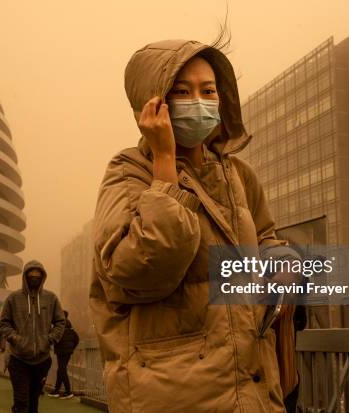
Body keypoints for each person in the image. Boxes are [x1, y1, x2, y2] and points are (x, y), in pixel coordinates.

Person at [89, 36, 302, 413]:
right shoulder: (127, 171)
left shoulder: (239, 174)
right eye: (183, 93)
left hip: (252, 386)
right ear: (154, 103)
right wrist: (165, 161)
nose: (199, 103)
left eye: (208, 91)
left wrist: (282, 261)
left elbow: (265, 236)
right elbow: (134, 270)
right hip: (175, 393)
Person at [1, 260, 66, 413]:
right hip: (18, 360)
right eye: (31, 275)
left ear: (43, 277)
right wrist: (17, 339)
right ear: (25, 276)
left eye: (38, 275)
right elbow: (4, 324)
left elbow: (60, 322)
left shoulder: (51, 298)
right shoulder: (13, 298)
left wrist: (49, 339)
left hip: (42, 360)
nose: (34, 278)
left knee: (33, 402)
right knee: (21, 402)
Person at [47, 310, 80, 399]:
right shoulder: (69, 325)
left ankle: (68, 392)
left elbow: (55, 337)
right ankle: (57, 390)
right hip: (67, 351)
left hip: (61, 350)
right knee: (61, 370)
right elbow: (77, 338)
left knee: (62, 370)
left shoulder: (59, 325)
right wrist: (72, 347)